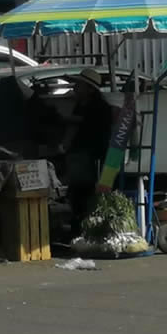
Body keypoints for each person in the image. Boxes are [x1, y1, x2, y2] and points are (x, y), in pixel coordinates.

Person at [62, 69, 114, 233]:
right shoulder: (80, 105)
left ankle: (85, 227)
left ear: (90, 89)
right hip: (79, 155)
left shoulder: (100, 108)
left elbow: (93, 130)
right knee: (76, 193)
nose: (76, 87)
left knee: (85, 193)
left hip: (91, 156)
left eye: (79, 84)